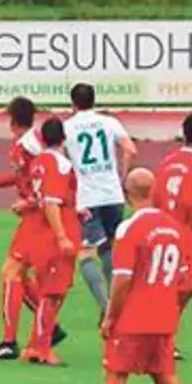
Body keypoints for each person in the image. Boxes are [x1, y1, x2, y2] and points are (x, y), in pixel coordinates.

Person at [80, 168, 192, 384]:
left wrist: (110, 317)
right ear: (153, 191)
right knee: (167, 379)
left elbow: (122, 279)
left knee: (116, 376)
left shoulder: (129, 229)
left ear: (126, 194)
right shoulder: (174, 229)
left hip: (134, 318)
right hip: (164, 317)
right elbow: (186, 283)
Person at [0, 96, 66, 359]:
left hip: (39, 218)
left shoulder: (28, 147)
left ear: (12, 120)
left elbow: (44, 179)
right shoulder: (33, 142)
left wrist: (30, 202)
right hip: (40, 216)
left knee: (11, 273)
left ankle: (9, 341)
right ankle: (48, 327)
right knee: (17, 275)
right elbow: (26, 177)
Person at [63, 83, 137, 314]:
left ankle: (106, 307)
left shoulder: (68, 127)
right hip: (113, 193)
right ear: (94, 100)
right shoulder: (109, 122)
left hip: (88, 196)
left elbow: (60, 160)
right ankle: (119, 304)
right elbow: (131, 150)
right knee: (109, 247)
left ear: (73, 103)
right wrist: (124, 178)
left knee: (85, 252)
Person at [19, 118, 82, 366]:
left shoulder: (38, 163)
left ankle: (36, 343)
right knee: (51, 294)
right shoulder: (61, 165)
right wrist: (62, 236)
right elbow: (52, 202)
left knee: (51, 291)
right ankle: (42, 348)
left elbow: (42, 198)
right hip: (55, 236)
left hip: (39, 234)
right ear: (63, 139)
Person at [152, 113, 192, 360]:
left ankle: (163, 338)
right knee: (183, 288)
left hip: (161, 226)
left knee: (167, 284)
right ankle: (163, 339)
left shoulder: (168, 160)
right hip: (181, 233)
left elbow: (157, 192)